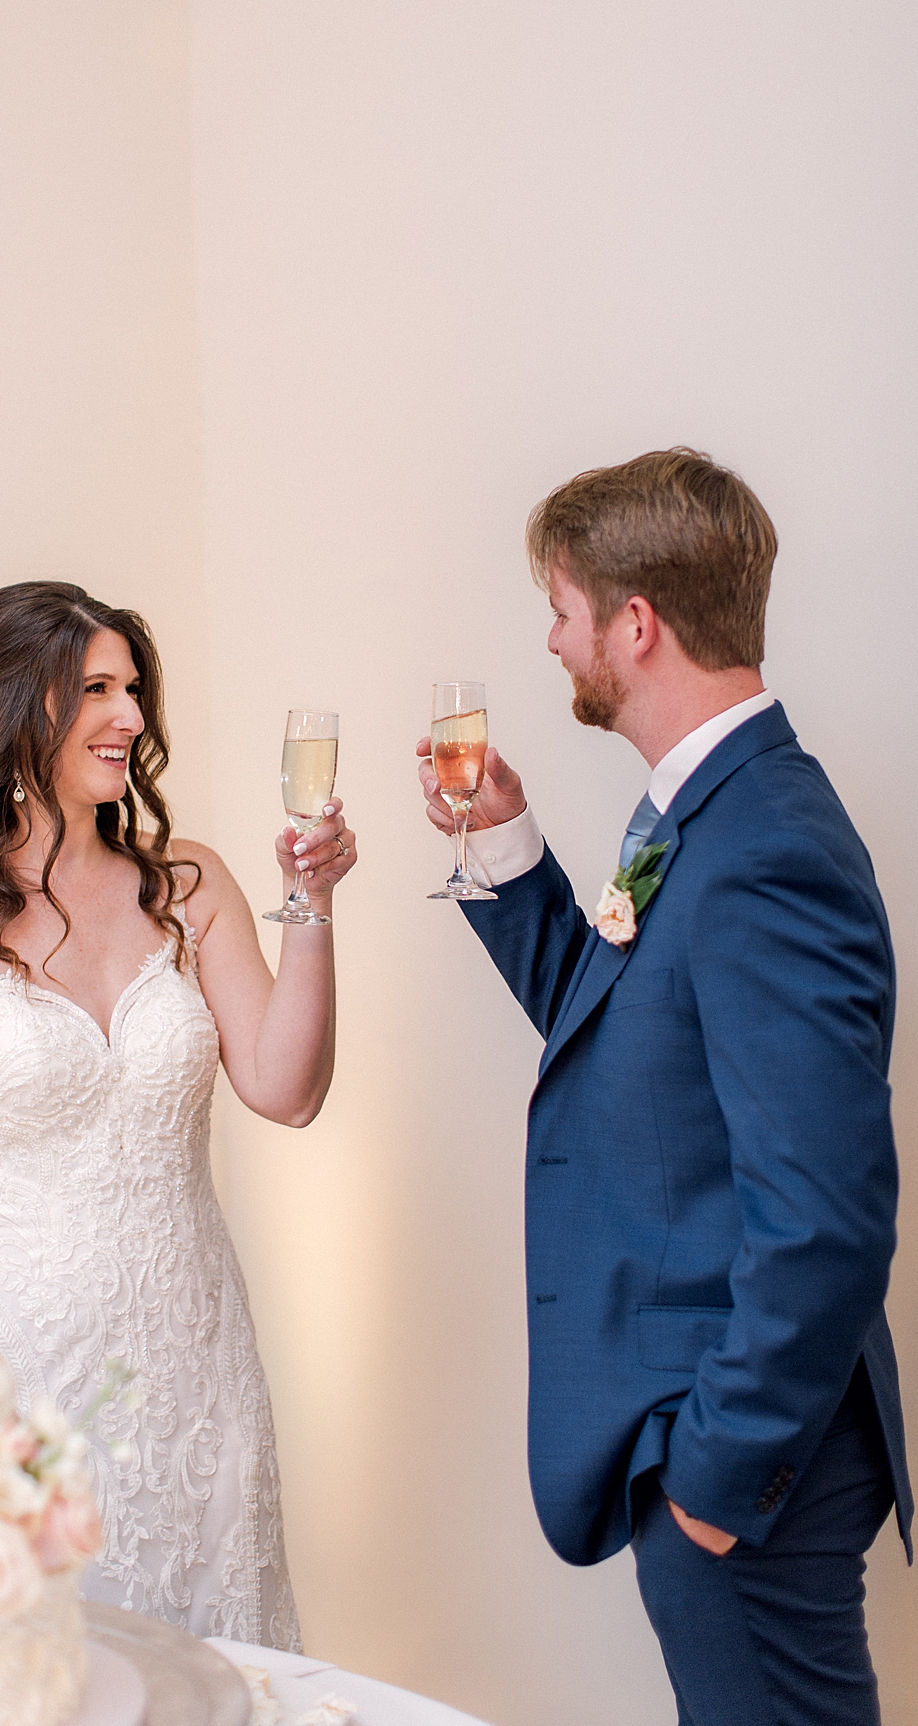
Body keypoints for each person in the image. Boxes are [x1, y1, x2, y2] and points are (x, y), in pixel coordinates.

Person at [417, 450, 912, 1725]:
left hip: (753, 1469)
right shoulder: (703, 812)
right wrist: (502, 849)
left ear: (634, 624)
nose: (551, 638)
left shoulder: (765, 849)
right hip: (716, 1443)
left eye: (562, 607)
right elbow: (628, 1049)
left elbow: (830, 1218)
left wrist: (711, 1483)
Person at [0, 580, 357, 1650]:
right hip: (26, 1387)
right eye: (94, 689)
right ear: (1, 710)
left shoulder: (189, 884)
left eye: (133, 689)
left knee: (224, 1678)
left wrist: (309, 903)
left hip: (199, 1370)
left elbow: (286, 1087)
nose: (130, 716)